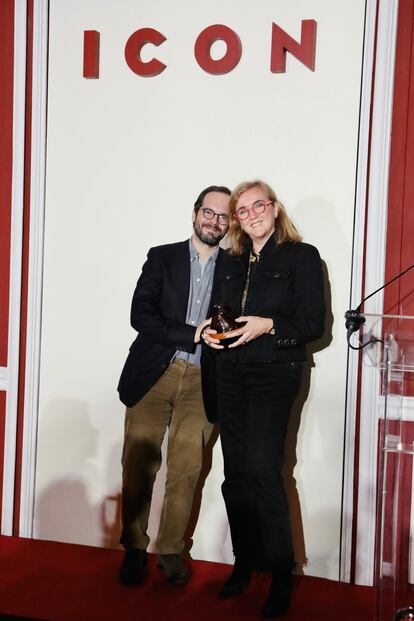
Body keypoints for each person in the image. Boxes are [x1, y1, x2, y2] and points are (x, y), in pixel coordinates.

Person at [202, 180, 325, 618]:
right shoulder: (231, 261)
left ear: (274, 208)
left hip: (275, 374)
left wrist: (269, 325)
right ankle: (244, 560)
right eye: (242, 210)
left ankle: (280, 571)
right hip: (231, 373)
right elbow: (220, 312)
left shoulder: (302, 257)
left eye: (259, 205)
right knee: (234, 473)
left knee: (262, 470)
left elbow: (314, 322)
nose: (251, 213)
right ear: (237, 219)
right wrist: (214, 334)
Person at [117, 185, 231, 586]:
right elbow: (140, 315)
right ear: (195, 212)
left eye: (222, 215)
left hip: (204, 381)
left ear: (229, 223)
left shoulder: (235, 267)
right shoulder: (161, 257)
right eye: (208, 212)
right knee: (138, 464)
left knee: (187, 470)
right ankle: (133, 548)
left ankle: (169, 550)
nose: (214, 220)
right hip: (154, 373)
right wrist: (191, 334)